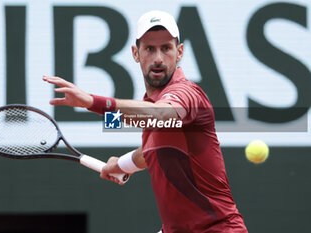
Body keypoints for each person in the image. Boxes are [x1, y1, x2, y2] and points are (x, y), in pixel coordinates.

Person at [43, 10, 248, 233]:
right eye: (150, 49)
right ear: (136, 53)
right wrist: (121, 164)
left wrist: (93, 102)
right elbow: (156, 148)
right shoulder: (150, 103)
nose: (158, 58)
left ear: (179, 53)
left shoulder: (187, 94)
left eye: (166, 48)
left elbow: (161, 115)